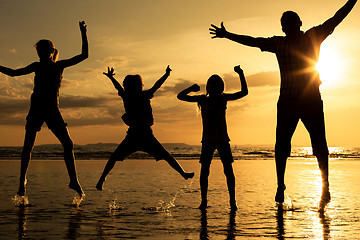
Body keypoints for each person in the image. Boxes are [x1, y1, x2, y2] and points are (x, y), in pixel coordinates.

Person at [209, 0, 357, 205]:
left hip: (302, 100)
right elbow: (253, 41)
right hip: (297, 100)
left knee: (310, 145)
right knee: (293, 146)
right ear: (286, 27)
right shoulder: (299, 39)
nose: (288, 26)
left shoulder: (302, 38)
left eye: (289, 22)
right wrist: (228, 35)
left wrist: (353, 1)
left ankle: (319, 187)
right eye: (286, 23)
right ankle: (291, 186)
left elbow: (336, 18)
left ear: (296, 24)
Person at [0, 21, 88, 197]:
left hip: (52, 110)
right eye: (37, 51)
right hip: (36, 109)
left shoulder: (58, 65)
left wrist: (83, 33)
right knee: (27, 147)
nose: (40, 53)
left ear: (50, 51)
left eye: (42, 50)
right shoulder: (36, 66)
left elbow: (84, 55)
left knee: (68, 144)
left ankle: (73, 180)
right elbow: (13, 73)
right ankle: (21, 184)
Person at [96, 66, 194, 191]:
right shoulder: (137, 95)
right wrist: (166, 75)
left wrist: (111, 78)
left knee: (115, 157)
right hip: (137, 135)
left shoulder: (130, 95)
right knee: (165, 155)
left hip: (142, 135)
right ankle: (102, 179)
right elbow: (156, 85)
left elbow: (155, 85)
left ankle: (183, 173)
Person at [177, 65, 248, 210]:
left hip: (222, 140)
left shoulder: (223, 98)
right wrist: (191, 87)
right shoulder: (203, 100)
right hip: (208, 141)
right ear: (208, 87)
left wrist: (241, 74)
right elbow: (180, 96)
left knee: (228, 171)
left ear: (221, 87)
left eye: (218, 86)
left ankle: (233, 202)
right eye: (213, 86)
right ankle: (204, 201)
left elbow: (244, 92)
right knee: (205, 171)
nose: (216, 88)